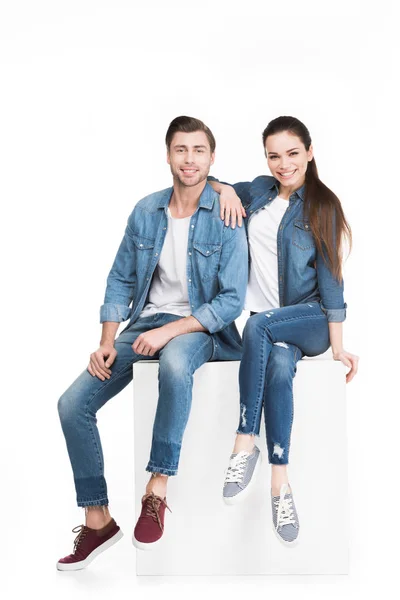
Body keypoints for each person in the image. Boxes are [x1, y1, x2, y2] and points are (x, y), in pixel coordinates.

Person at [56, 116, 248, 570]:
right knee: (71, 405)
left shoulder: (226, 213)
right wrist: (107, 338)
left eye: (199, 150)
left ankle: (156, 490)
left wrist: (169, 331)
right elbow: (120, 278)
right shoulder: (146, 211)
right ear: (167, 154)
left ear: (211, 158)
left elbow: (231, 300)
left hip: (203, 328)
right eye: (181, 149)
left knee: (175, 365)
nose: (189, 159)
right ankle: (98, 518)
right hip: (144, 325)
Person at [209, 116, 359, 546]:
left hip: (307, 319)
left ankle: (243, 440)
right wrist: (223, 190)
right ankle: (280, 482)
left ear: (309, 153)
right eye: (274, 155)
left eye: (292, 153)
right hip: (270, 333)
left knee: (258, 323)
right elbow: (212, 182)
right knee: (276, 364)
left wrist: (339, 349)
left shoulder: (322, 206)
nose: (283, 163)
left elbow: (332, 281)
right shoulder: (257, 190)